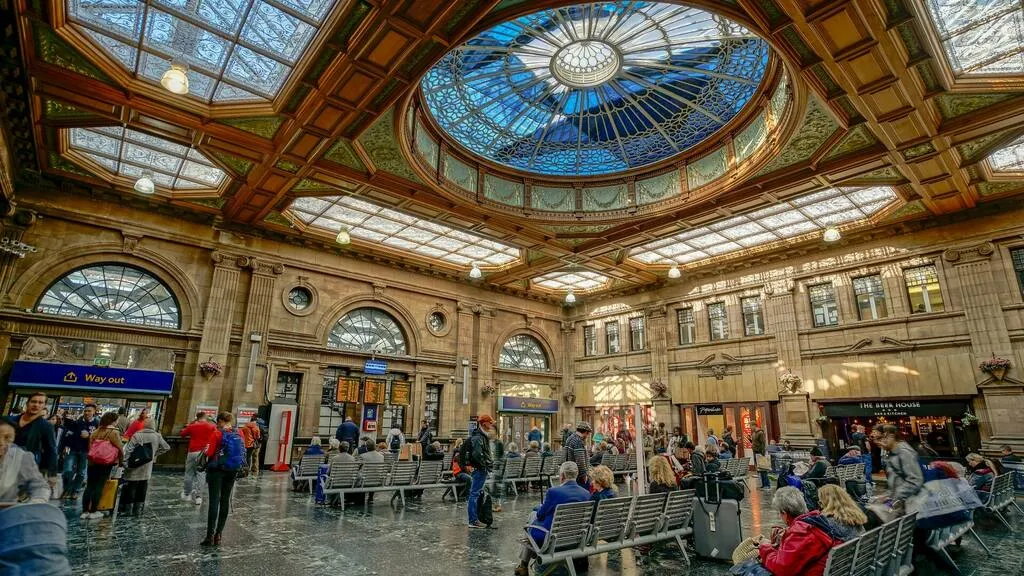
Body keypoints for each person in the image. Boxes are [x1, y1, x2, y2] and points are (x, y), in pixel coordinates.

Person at [514, 461, 591, 576]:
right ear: (576, 474)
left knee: (532, 516)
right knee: (534, 515)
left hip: (552, 538)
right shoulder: (586, 493)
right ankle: (523, 565)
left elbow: (540, 515)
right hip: (576, 537)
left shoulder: (554, 492)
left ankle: (523, 565)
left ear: (562, 476)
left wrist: (538, 509)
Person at [756, 486, 841, 576]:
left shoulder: (801, 532)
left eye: (779, 513)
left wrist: (765, 547)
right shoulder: (816, 521)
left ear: (784, 514)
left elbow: (782, 569)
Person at [202, 412, 244, 546]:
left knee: (214, 500)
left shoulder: (217, 433)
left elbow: (208, 452)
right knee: (225, 500)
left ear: (220, 421)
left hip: (217, 470)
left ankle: (209, 535)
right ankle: (219, 534)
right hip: (232, 470)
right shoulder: (239, 433)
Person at [120, 417, 169, 516]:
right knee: (143, 485)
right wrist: (154, 454)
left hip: (134, 464)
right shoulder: (157, 436)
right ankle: (138, 509)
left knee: (132, 485)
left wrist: (125, 462)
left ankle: (128, 508)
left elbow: (129, 450)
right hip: (147, 465)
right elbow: (166, 447)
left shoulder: (137, 435)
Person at [11, 392, 58, 486]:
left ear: (44, 406)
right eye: (33, 401)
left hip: (26, 466)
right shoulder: (9, 420)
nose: (36, 405)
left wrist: (52, 473)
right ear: (27, 403)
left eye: (40, 403)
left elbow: (51, 449)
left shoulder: (45, 426)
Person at [81, 412, 122, 520]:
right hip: (105, 463)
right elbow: (120, 448)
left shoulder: (95, 431)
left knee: (90, 485)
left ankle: (84, 511)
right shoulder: (113, 432)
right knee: (99, 485)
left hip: (92, 462)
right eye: (117, 420)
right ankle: (94, 511)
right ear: (113, 421)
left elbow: (90, 447)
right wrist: (121, 461)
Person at [0, 418, 51, 504]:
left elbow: (40, 486)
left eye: (7, 438)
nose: (1, 442)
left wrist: (37, 501)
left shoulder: (21, 457)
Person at [879, 424, 923, 514]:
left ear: (891, 436)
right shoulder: (892, 453)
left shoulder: (903, 452)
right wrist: (887, 496)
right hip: (901, 504)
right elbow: (896, 480)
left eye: (882, 438)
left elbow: (915, 480)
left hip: (910, 506)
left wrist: (895, 497)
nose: (880, 443)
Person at [61, 402, 98, 500]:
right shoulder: (77, 422)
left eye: (89, 411)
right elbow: (68, 435)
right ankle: (66, 489)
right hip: (73, 449)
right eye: (85, 411)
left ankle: (75, 491)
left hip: (86, 451)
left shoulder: (97, 424)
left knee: (81, 472)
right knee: (67, 471)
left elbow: (99, 439)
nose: (86, 413)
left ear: (94, 412)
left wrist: (89, 436)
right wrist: (66, 446)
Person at [180, 411, 215, 505]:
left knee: (189, 473)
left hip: (192, 451)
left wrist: (192, 423)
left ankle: (187, 494)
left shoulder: (192, 426)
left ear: (197, 418)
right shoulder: (210, 426)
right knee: (201, 474)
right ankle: (199, 497)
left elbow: (183, 434)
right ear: (206, 417)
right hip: (204, 453)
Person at [466, 415, 495, 529]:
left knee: (476, 493)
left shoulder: (482, 436)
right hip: (480, 469)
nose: (491, 425)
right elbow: (477, 454)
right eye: (490, 423)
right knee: (474, 494)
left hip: (481, 468)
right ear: (484, 424)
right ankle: (473, 520)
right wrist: (485, 464)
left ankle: (475, 518)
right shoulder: (479, 437)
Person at [563, 421, 593, 487]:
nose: (587, 436)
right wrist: (584, 475)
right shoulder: (578, 441)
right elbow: (580, 461)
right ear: (585, 432)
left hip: (570, 472)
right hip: (578, 475)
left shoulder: (570, 438)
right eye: (588, 434)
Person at [752, 424, 770, 489]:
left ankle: (767, 484)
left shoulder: (760, 433)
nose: (750, 428)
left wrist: (763, 453)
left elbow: (763, 443)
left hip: (760, 452)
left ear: (754, 425)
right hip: (755, 452)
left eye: (751, 426)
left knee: (763, 468)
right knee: (760, 469)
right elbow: (755, 442)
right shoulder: (754, 433)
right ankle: (763, 484)